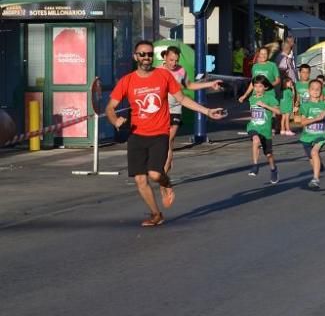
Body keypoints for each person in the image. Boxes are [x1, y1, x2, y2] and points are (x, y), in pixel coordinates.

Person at [106, 40, 225, 227]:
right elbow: (110, 108)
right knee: (140, 179)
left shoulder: (163, 75)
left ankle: (166, 183)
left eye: (148, 54)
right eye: (142, 54)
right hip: (136, 134)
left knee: (154, 174)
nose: (146, 57)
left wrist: (207, 111)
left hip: (159, 132)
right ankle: (156, 214)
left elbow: (183, 98)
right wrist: (115, 121)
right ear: (135, 56)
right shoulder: (127, 81)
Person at [159, 45, 221, 170]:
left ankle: (163, 175)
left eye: (176, 60)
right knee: (161, 142)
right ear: (165, 57)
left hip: (175, 109)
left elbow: (190, 85)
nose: (174, 63)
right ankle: (165, 162)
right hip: (160, 110)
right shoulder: (157, 71)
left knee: (168, 139)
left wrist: (209, 84)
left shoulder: (181, 70)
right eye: (171, 60)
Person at [245, 76, 281, 184]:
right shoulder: (252, 98)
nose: (257, 88)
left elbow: (278, 112)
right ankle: (255, 165)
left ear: (265, 87)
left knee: (269, 155)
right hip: (253, 126)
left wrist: (265, 106)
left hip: (265, 130)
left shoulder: (270, 98)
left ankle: (273, 169)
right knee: (255, 140)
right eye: (255, 86)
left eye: (260, 86)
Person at [297, 79, 325, 190]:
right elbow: (302, 122)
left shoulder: (324, 106)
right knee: (312, 158)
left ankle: (315, 179)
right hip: (307, 136)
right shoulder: (305, 106)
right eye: (313, 89)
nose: (315, 91)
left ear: (321, 91)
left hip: (321, 135)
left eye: (318, 89)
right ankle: (319, 166)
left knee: (314, 152)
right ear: (309, 91)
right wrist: (316, 118)